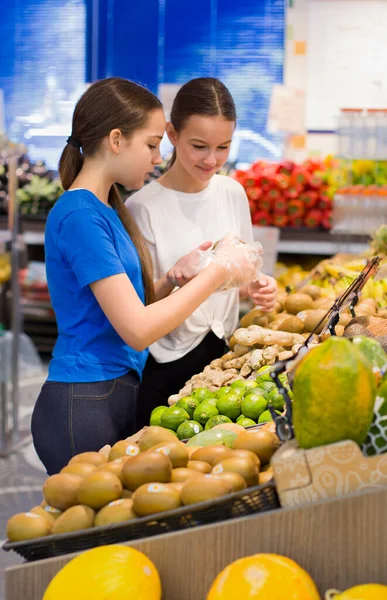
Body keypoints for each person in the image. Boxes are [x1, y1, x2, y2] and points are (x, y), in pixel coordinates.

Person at [31, 77, 263, 475]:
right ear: (117, 140)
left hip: (114, 391)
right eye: (152, 144)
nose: (158, 158)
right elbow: (137, 330)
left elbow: (124, 308)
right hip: (83, 399)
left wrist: (175, 278)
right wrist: (219, 270)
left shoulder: (106, 209)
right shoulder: (80, 215)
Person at [126, 77, 277, 428]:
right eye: (199, 146)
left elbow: (238, 277)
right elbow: (138, 305)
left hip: (225, 358)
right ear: (172, 134)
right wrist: (173, 277)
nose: (212, 160)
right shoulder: (142, 207)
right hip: (163, 365)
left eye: (223, 147)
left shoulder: (232, 193)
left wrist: (255, 286)